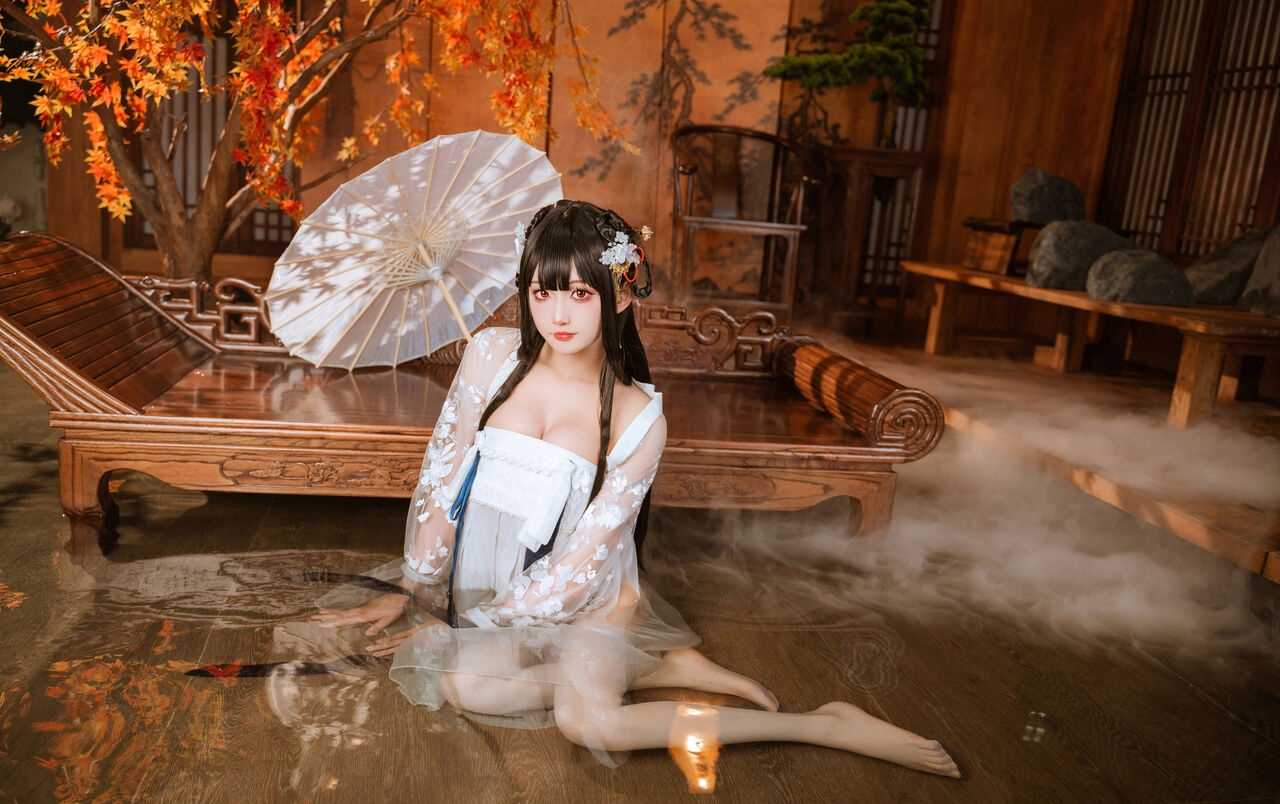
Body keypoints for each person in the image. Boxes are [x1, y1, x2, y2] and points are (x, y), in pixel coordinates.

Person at [314, 199, 959, 777]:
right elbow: (444, 479)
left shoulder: (636, 415)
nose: (558, 315)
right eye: (542, 292)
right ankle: (651, 664)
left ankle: (820, 725)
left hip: (585, 595)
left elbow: (578, 566)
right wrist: (419, 586)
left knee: (591, 726)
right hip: (491, 582)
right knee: (467, 687)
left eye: (580, 293)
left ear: (620, 295)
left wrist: (470, 629)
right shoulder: (489, 357)